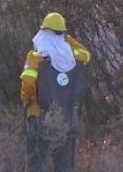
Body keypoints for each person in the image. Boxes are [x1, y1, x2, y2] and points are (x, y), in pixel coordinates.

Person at [20, 12, 91, 172]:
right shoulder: (72, 59)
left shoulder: (35, 58)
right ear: (62, 34)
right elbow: (86, 54)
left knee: (36, 165)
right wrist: (66, 42)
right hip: (67, 118)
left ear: (43, 32)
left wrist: (27, 100)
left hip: (39, 117)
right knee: (65, 167)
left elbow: (28, 86)